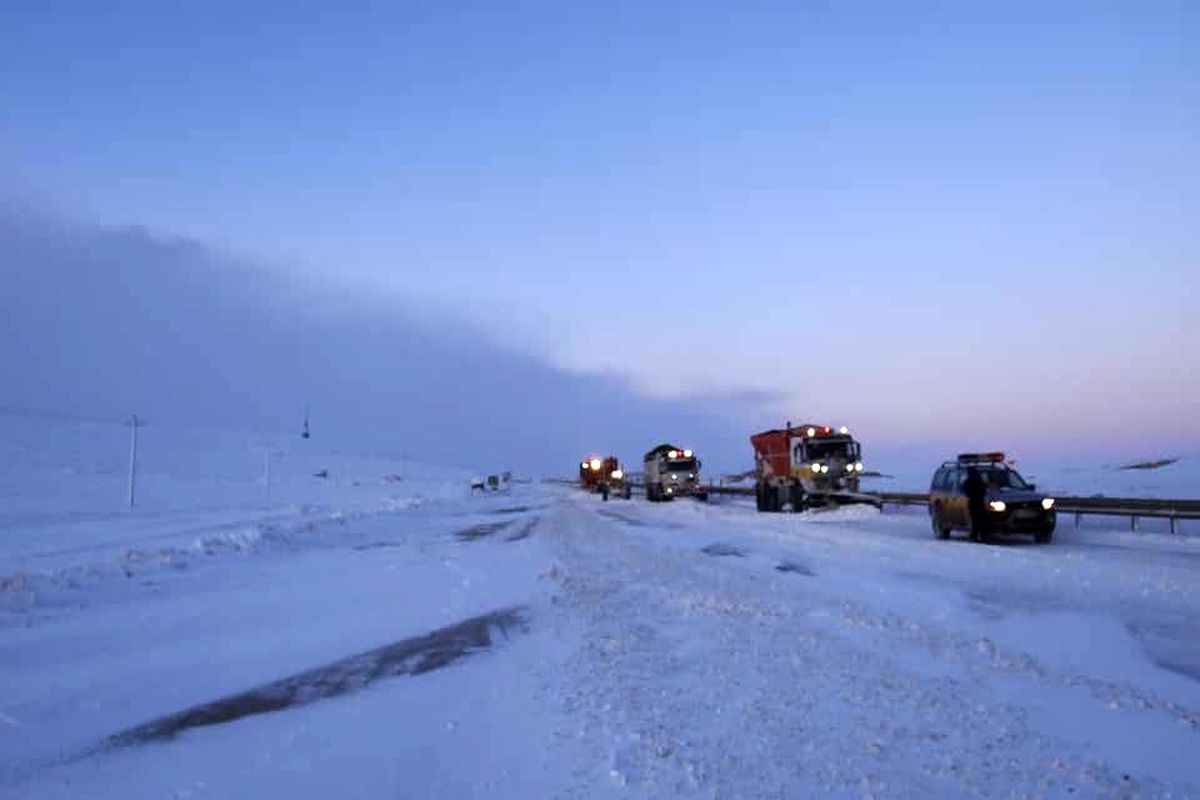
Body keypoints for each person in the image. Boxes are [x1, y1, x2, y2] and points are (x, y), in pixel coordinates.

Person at [963, 467, 988, 542]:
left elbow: (966, 492)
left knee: (975, 519)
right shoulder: (980, 481)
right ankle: (982, 536)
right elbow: (984, 490)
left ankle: (975, 535)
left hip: (973, 502)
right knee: (981, 519)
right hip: (980, 501)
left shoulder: (967, 482)